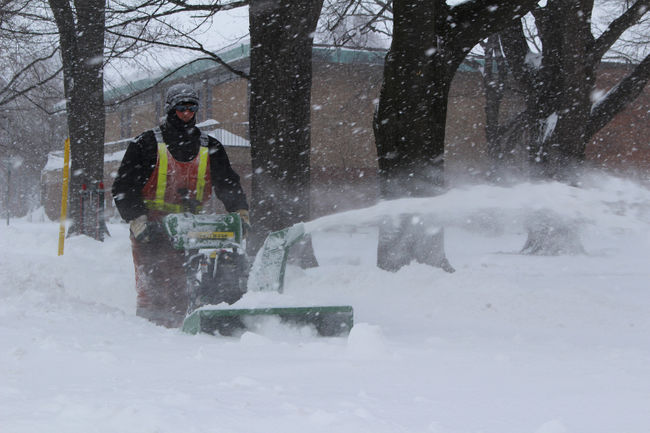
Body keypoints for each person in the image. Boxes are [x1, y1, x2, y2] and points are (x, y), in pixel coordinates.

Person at [112, 83, 249, 328]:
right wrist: (138, 220)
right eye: (180, 108)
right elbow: (124, 186)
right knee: (153, 287)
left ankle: (186, 326)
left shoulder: (210, 146)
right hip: (152, 226)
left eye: (191, 108)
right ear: (170, 109)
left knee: (183, 285)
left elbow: (227, 182)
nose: (186, 113)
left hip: (191, 227)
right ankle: (149, 329)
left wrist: (239, 212)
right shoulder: (145, 144)